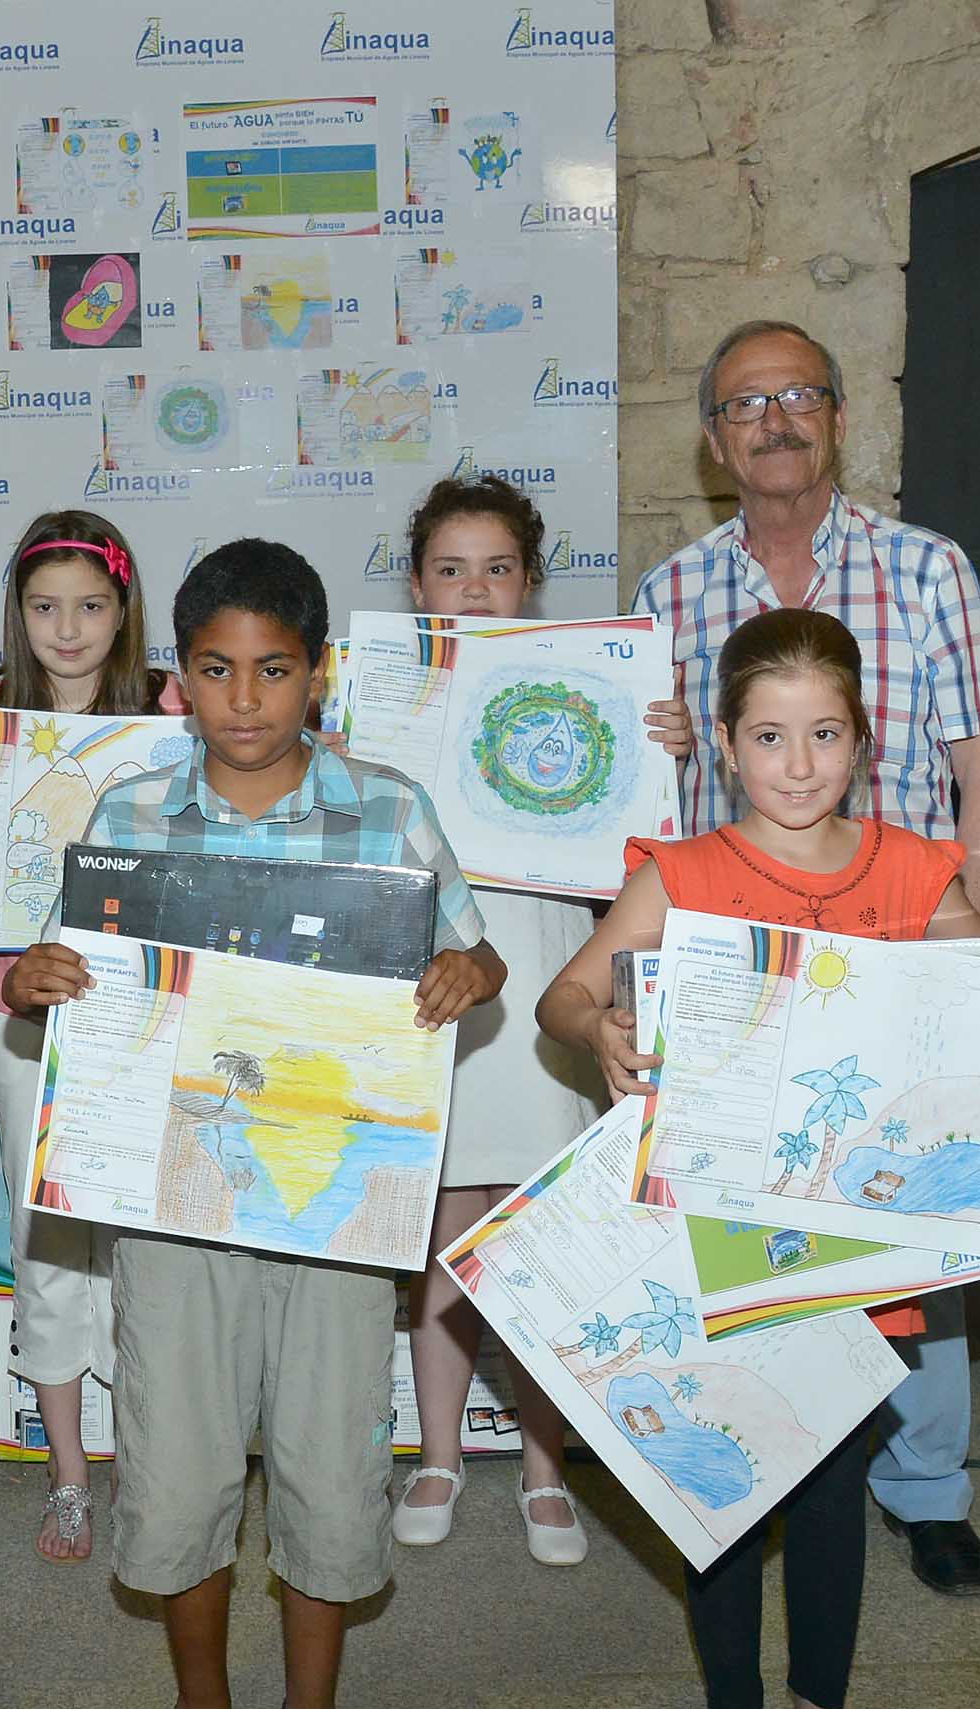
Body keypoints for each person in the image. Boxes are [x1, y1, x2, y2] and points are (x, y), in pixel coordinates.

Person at [540, 609, 980, 1709]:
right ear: (729, 744)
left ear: (862, 737)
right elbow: (564, 992)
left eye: (826, 735)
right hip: (717, 1245)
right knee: (728, 1483)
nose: (800, 764)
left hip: (864, 1257)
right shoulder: (681, 874)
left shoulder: (914, 869)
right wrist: (600, 1032)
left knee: (838, 1494)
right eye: (772, 736)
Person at [3, 539, 505, 1709]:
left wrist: (470, 974)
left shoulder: (386, 811)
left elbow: (475, 948)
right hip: (176, 1202)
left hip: (337, 1205)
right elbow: (77, 977)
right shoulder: (125, 819)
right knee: (171, 1472)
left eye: (272, 669)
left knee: (334, 1465)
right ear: (176, 681)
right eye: (216, 670)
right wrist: (36, 979)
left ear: (316, 675)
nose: (244, 698)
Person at [631, 318, 980, 1600]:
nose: (777, 420)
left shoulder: (927, 570)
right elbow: (650, 790)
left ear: (840, 419)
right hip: (733, 970)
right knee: (750, 1234)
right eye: (748, 405)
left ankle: (926, 1486)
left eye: (802, 396)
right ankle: (753, 1455)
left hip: (895, 939)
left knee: (911, 1214)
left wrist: (961, 980)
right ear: (714, 440)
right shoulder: (672, 594)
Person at [386, 474, 686, 1567]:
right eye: (451, 569)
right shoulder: (381, 700)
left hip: (553, 965)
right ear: (418, 584)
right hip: (434, 983)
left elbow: (666, 858)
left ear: (532, 583)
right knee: (442, 1230)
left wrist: (671, 758)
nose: (474, 589)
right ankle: (437, 1452)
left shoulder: (597, 693)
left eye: (497, 568)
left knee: (538, 1226)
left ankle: (549, 1463)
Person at [0, 510, 184, 1562]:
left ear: (123, 611)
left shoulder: (172, 712)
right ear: (18, 613)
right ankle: (66, 1478)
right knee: (47, 1237)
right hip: (16, 1011)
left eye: (90, 606)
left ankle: (151, 1459)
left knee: (144, 1241)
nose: (68, 628)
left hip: (141, 1013)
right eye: (45, 607)